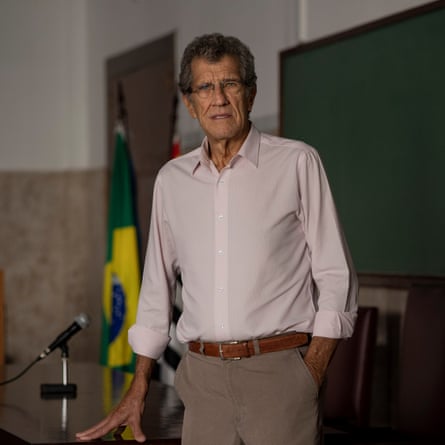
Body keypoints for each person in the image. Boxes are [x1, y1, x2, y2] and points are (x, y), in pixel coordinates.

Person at [77, 33, 358, 445]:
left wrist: (308, 372)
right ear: (190, 103)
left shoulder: (297, 162)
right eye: (205, 87)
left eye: (230, 84)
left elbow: (337, 275)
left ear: (252, 93)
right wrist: (139, 385)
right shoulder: (171, 181)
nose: (219, 98)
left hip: (280, 376)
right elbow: (156, 289)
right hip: (202, 381)